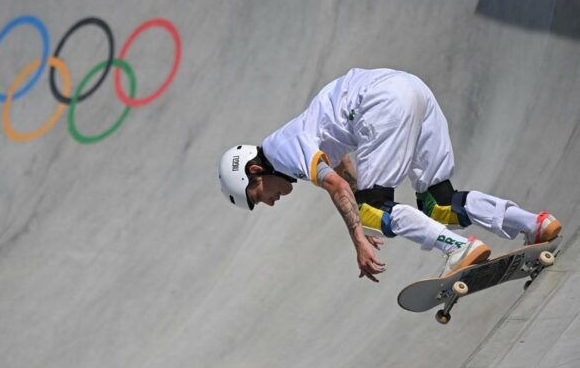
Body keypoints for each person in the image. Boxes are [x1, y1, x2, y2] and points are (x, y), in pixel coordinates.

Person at [218, 68, 562, 282]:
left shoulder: (281, 149)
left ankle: (458, 248)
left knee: (370, 212)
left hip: (381, 105)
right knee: (439, 203)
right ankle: (533, 224)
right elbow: (343, 170)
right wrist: (362, 205)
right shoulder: (297, 140)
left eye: (257, 195)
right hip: (412, 89)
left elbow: (335, 185)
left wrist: (359, 238)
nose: (269, 201)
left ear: (255, 170)